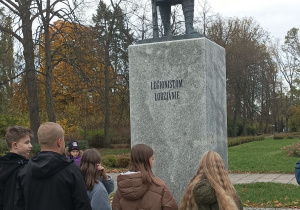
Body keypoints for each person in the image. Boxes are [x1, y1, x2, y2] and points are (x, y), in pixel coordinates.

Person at [15, 122, 92, 210]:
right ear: (59, 142)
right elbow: (83, 205)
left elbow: (19, 205)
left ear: (40, 142)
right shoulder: (72, 171)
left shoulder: (24, 171)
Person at [112, 143, 178, 210]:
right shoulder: (160, 185)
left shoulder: (122, 188)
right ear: (147, 160)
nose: (153, 162)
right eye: (152, 158)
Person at [0, 126, 32, 210]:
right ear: (15, 145)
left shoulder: (2, 165)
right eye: (27, 143)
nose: (31, 146)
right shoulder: (25, 169)